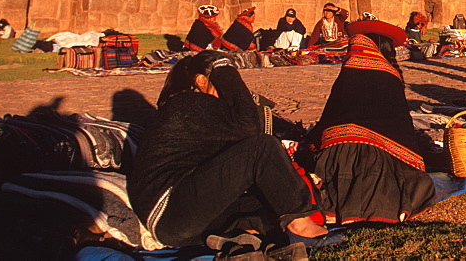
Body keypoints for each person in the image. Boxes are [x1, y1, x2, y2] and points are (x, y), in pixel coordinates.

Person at [127, 52, 330, 248]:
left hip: (183, 222)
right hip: (168, 209)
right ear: (201, 81)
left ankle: (238, 235)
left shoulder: (194, 109)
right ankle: (301, 226)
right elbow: (250, 129)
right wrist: (224, 69)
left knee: (270, 198)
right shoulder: (186, 104)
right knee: (261, 148)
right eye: (222, 81)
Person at [308, 20, 436, 224]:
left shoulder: (347, 74)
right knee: (410, 179)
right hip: (379, 156)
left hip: (335, 156)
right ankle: (378, 206)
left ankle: (335, 207)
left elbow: (328, 121)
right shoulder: (390, 77)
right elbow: (400, 126)